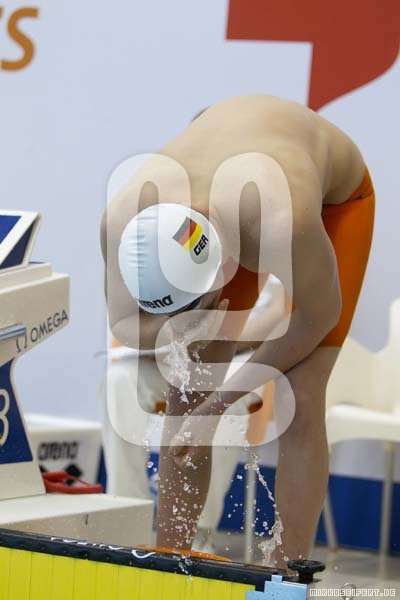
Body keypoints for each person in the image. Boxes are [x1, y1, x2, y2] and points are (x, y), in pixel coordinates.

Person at [101, 95, 374, 566]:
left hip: (336, 201)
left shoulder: (282, 220)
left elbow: (319, 316)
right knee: (187, 390)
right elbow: (124, 324)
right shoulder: (121, 219)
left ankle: (287, 579)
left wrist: (221, 401)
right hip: (236, 198)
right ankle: (172, 560)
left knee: (299, 395)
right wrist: (177, 337)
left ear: (217, 258)